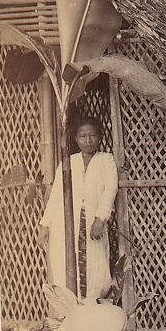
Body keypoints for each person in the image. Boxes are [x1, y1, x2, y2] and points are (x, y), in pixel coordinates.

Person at [39, 116, 119, 303]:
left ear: (99, 137)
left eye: (92, 135)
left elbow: (110, 189)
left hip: (92, 223)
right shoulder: (68, 162)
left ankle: (91, 307)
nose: (88, 140)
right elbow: (56, 195)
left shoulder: (106, 160)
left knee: (95, 267)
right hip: (66, 223)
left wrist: (100, 219)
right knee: (64, 264)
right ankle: (70, 311)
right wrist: (45, 225)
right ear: (76, 139)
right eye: (83, 136)